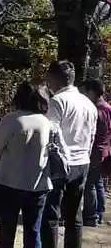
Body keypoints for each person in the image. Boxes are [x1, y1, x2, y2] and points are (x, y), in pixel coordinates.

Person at [0, 82, 55, 248]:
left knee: (7, 230)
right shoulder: (49, 124)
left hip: (9, 180)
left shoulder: (11, 119)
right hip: (38, 183)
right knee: (33, 230)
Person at [41, 60, 98, 248]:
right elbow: (91, 135)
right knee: (75, 215)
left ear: (53, 78)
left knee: (51, 214)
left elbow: (50, 132)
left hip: (60, 163)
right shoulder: (88, 103)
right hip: (82, 161)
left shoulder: (57, 101)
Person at [79, 78, 110, 226]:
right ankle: (99, 212)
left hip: (95, 151)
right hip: (105, 150)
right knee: (98, 183)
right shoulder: (108, 108)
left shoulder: (96, 110)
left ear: (91, 92)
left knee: (89, 184)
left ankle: (91, 215)